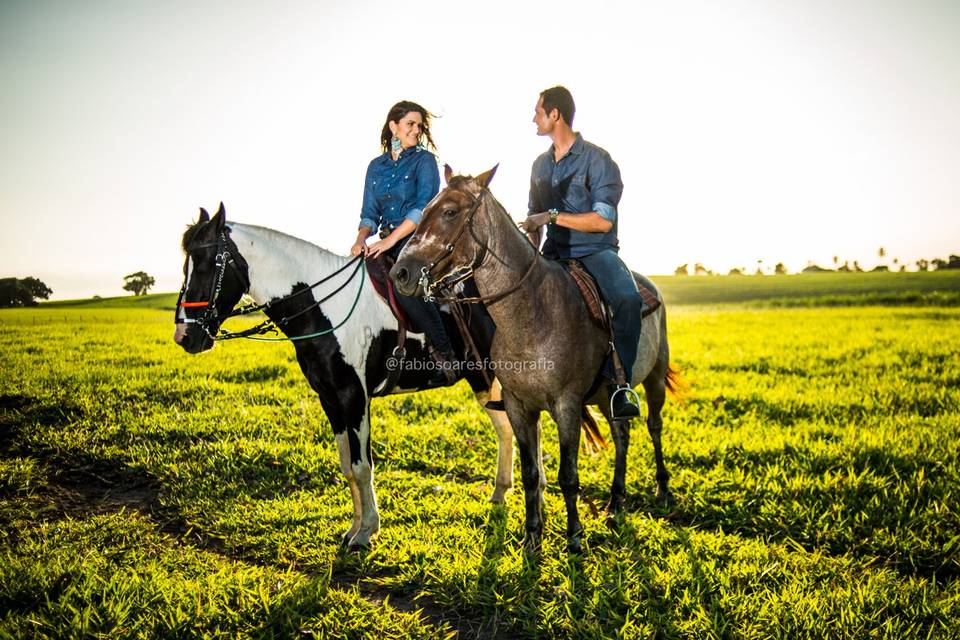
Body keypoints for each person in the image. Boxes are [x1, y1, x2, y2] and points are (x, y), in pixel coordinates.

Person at [520, 86, 643, 419]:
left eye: (538, 111)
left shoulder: (598, 160)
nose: (533, 117)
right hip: (553, 252)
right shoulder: (539, 165)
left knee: (629, 300)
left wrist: (554, 216)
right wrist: (528, 240)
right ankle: (513, 381)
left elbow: (603, 221)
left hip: (595, 252)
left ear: (555, 114)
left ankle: (621, 385)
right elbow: (536, 217)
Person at [350, 100, 457, 385]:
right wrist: (361, 239)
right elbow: (369, 213)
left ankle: (444, 355)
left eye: (420, 126)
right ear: (393, 126)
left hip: (420, 239)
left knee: (406, 283)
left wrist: (389, 243)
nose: (416, 131)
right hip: (386, 239)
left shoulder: (425, 161)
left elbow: (422, 209)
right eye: (410, 124)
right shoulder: (376, 167)